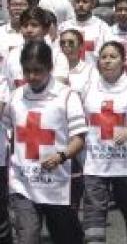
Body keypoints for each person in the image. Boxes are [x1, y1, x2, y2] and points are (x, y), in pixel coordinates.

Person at [3, 39, 87, 244]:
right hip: (23, 183)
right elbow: (7, 133)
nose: (31, 77)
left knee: (66, 238)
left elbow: (79, 139)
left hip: (58, 185)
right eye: (27, 71)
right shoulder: (15, 98)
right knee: (27, 237)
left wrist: (61, 156)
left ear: (50, 67)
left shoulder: (67, 97)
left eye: (38, 71)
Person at [81, 41, 127, 244]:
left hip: (125, 165)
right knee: (94, 216)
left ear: (123, 61)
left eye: (113, 57)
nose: (107, 61)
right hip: (94, 163)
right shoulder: (88, 87)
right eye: (104, 57)